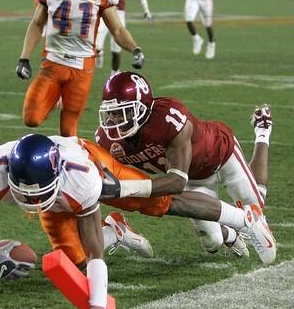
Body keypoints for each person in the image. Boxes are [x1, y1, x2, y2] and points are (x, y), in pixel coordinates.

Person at [0, 133, 155, 309]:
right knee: (75, 259)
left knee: (157, 202)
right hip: (58, 195)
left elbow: (96, 252)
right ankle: (113, 231)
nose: (32, 202)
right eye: (25, 194)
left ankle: (170, 200)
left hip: (87, 161)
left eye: (39, 194)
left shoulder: (82, 179)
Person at [95, 71, 275, 262]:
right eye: (112, 112)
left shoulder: (168, 117)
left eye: (124, 110)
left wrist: (125, 188)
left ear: (143, 107)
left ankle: (263, 131)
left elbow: (176, 182)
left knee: (256, 211)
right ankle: (230, 234)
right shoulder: (108, 140)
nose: (116, 119)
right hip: (193, 178)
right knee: (212, 242)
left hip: (220, 153)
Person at [15, 0, 144, 137]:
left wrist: (134, 48)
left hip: (82, 66)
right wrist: (24, 57)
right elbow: (37, 23)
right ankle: (54, 95)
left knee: (68, 130)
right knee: (31, 118)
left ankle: (69, 164)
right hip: (53, 62)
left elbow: (117, 29)